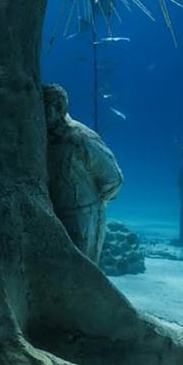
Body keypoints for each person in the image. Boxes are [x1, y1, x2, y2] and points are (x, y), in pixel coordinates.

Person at [43, 84, 123, 263]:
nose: (42, 112)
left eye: (47, 106)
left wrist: (91, 205)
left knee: (82, 268)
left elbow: (114, 178)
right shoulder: (41, 138)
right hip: (53, 215)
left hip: (82, 219)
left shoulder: (80, 137)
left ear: (59, 107)